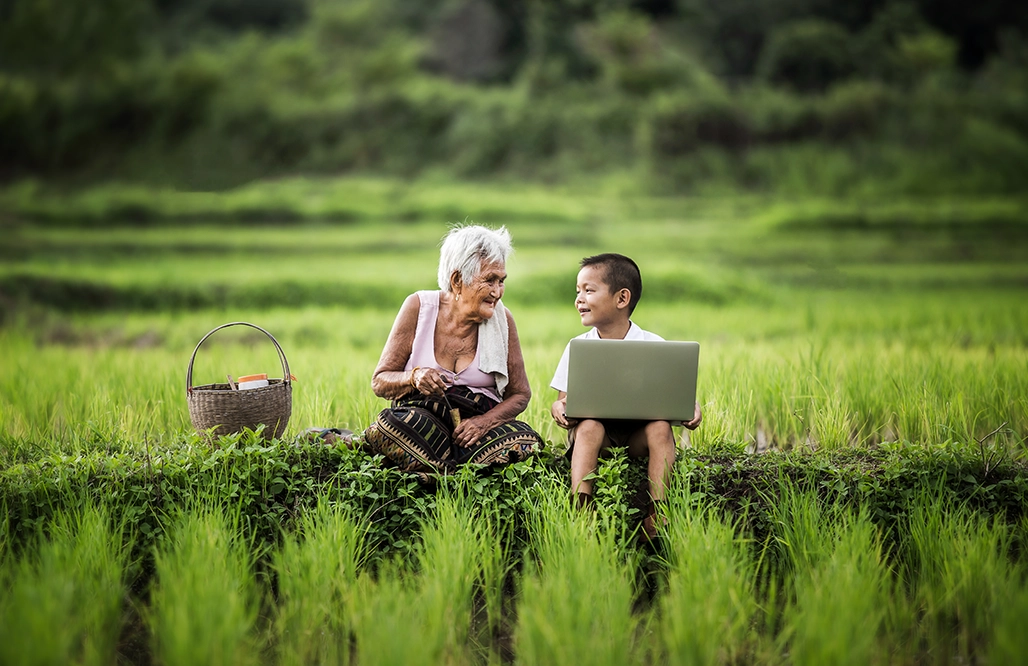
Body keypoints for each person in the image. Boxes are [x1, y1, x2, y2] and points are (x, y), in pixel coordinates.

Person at [364, 224, 542, 480]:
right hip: (424, 420)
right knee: (391, 425)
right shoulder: (418, 307)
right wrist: (414, 377)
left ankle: (434, 471)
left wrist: (483, 423)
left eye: (501, 281)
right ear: (457, 280)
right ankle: (461, 473)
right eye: (489, 280)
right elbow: (380, 381)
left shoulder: (503, 321)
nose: (497, 292)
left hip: (475, 429)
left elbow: (520, 394)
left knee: (524, 439)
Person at [549, 253, 702, 539]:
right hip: (598, 439)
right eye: (577, 291)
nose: (579, 299)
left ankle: (658, 514)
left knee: (660, 428)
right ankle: (581, 508)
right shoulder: (578, 347)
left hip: (637, 438)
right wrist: (559, 409)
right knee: (590, 426)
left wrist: (691, 409)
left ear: (621, 299)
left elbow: (675, 395)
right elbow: (563, 400)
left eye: (589, 290)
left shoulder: (654, 346)